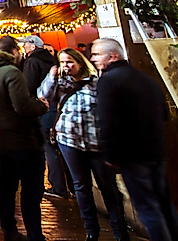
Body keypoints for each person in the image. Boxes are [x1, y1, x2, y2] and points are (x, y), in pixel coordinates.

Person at [92, 38, 178, 241]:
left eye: (97, 54)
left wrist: (109, 154)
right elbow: (163, 114)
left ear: (113, 56)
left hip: (132, 156)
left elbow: (107, 121)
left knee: (148, 209)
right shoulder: (145, 78)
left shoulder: (109, 81)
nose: (93, 59)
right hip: (157, 151)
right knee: (165, 205)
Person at [42, 47, 128, 241]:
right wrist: (52, 75)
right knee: (81, 187)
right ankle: (91, 231)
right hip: (69, 141)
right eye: (63, 62)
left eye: (70, 62)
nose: (66, 66)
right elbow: (45, 95)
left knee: (108, 188)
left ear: (80, 62)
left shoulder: (97, 83)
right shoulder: (60, 83)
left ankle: (120, 232)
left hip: (95, 142)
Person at [0, 35, 48, 241]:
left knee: (6, 186)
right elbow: (23, 106)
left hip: (0, 138)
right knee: (31, 190)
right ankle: (35, 234)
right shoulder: (12, 72)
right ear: (15, 51)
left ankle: (8, 228)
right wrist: (41, 106)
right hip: (22, 138)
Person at [19, 34, 68, 198]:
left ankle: (58, 186)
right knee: (57, 145)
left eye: (25, 44)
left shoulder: (32, 61)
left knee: (48, 146)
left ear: (33, 46)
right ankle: (68, 185)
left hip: (43, 106)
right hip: (56, 106)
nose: (23, 47)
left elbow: (28, 85)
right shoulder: (51, 60)